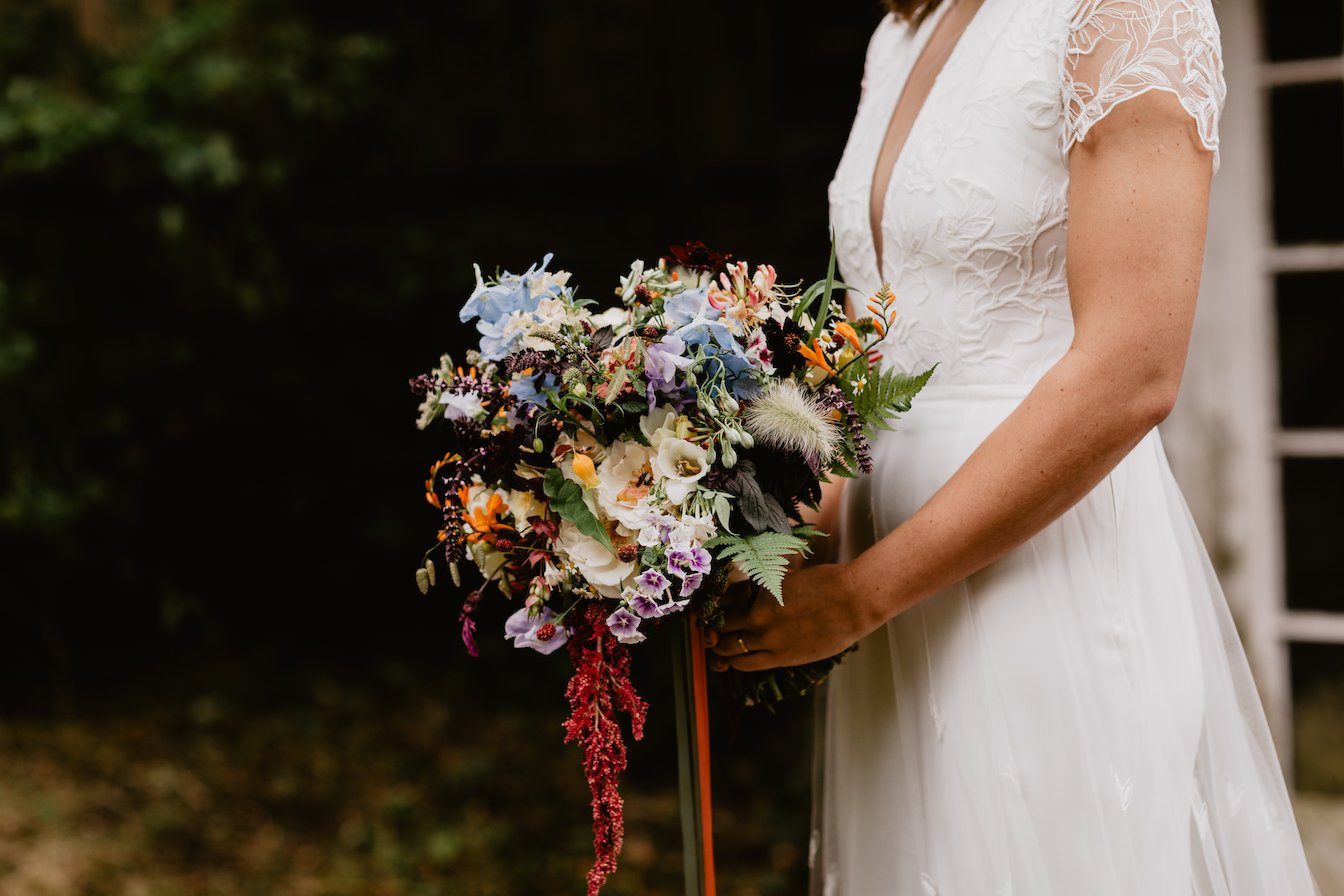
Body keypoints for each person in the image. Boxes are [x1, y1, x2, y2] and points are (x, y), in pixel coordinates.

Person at [703, 0, 1322, 892]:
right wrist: (768, 541)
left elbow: (1132, 371)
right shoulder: (903, 32)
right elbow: (873, 344)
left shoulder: (1127, 12)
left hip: (1042, 571)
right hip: (879, 585)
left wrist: (860, 596)